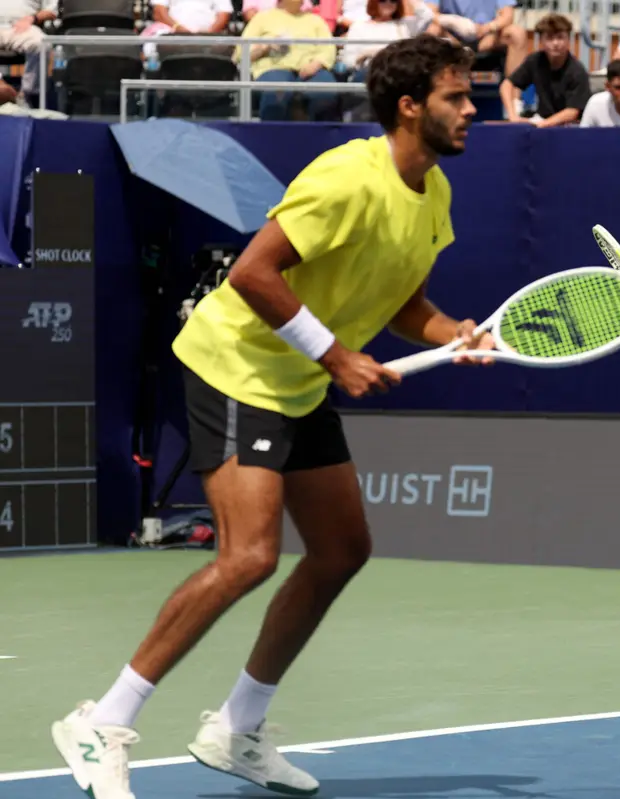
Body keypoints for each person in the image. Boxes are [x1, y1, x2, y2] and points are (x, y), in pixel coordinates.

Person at [50, 34, 494, 799]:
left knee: (341, 549)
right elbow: (254, 272)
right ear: (411, 105)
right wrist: (335, 356)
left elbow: (402, 305)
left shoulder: (435, 195)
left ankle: (236, 728)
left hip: (298, 377)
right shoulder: (347, 176)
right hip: (238, 365)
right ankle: (104, 719)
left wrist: (454, 332)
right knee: (248, 555)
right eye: (456, 96)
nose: (471, 109)